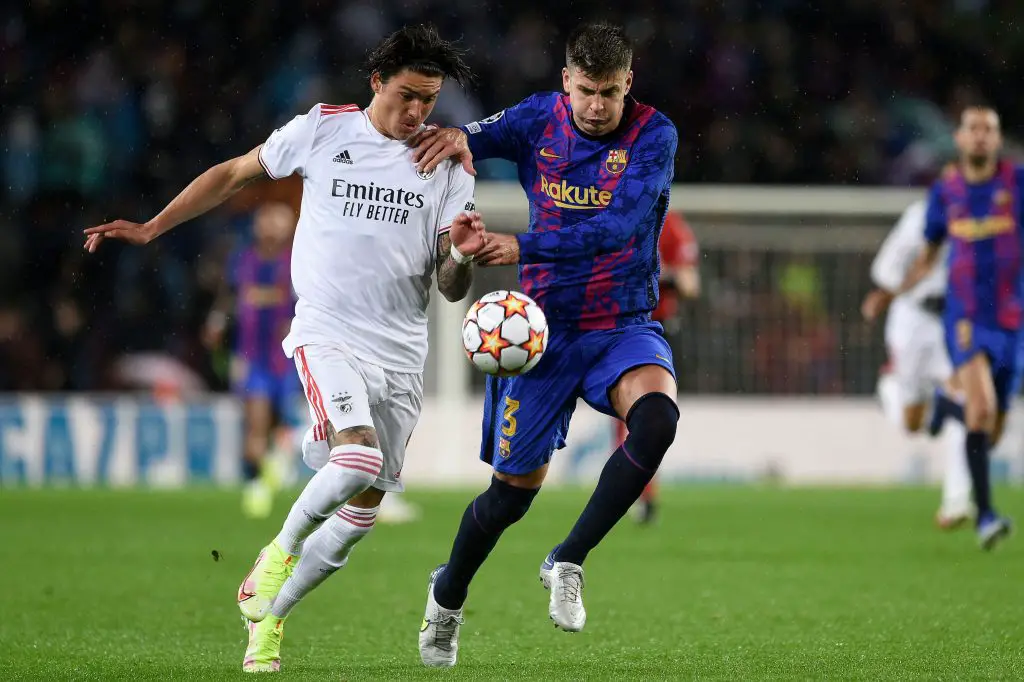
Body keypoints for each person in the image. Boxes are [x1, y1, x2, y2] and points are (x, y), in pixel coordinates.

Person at [84, 24, 483, 672]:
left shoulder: (447, 164)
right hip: (327, 330)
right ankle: (277, 551)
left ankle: (268, 622)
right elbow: (234, 173)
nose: (417, 113)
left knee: (360, 518)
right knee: (355, 459)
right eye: (407, 95)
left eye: (429, 101)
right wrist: (156, 225)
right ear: (377, 82)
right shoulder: (325, 129)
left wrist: (462, 252)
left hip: (402, 352)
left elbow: (449, 282)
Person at [410, 21, 679, 667]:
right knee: (510, 497)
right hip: (539, 334)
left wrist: (523, 245)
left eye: (609, 93)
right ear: (566, 82)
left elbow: (620, 226)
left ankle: (568, 559)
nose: (596, 106)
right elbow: (469, 136)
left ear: (628, 85)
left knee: (658, 420)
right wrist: (453, 136)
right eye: (586, 90)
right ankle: (446, 597)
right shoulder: (537, 118)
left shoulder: (654, 135)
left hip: (622, 322)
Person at [899, 104, 1020, 550]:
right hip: (965, 316)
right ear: (959, 137)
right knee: (983, 408)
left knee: (992, 426)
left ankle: (944, 410)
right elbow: (929, 253)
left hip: (1011, 319)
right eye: (974, 128)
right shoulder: (946, 192)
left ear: (998, 137)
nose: (982, 136)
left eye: (989, 128)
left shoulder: (1017, 184)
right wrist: (893, 291)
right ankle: (986, 516)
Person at [861, 198, 973, 529]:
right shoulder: (922, 215)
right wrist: (890, 291)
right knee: (912, 423)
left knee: (964, 401)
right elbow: (886, 270)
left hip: (958, 320)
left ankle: (956, 501)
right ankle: (891, 390)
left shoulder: (991, 215)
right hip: (915, 319)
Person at [204, 202, 299, 519]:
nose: (273, 226)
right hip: (252, 358)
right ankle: (260, 483)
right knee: (256, 426)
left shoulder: (296, 261)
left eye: (280, 221)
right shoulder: (243, 261)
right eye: (267, 219)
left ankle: (267, 474)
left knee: (280, 425)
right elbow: (228, 296)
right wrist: (216, 322)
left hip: (285, 358)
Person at [618, 210, 699, 524]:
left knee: (646, 418)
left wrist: (654, 274)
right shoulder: (615, 218)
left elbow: (691, 284)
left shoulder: (674, 228)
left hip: (656, 332)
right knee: (627, 419)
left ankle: (642, 495)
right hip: (619, 330)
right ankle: (639, 495)